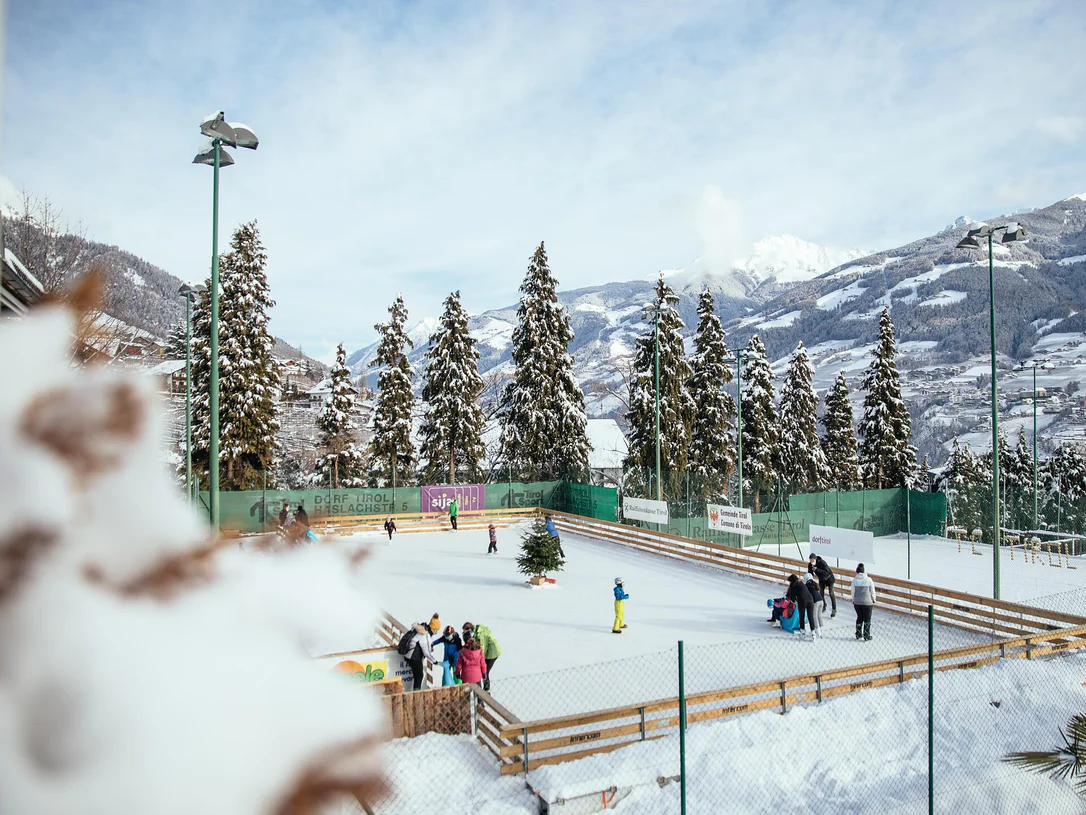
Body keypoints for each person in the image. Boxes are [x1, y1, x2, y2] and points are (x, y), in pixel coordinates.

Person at [462, 622, 501, 691]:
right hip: (489, 651)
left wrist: (477, 659)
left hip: (492, 653)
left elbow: (483, 648)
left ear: (470, 629)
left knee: (485, 671)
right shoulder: (475, 632)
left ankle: (486, 690)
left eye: (465, 632)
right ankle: (481, 689)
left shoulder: (480, 634)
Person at [405, 622, 439, 691]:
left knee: (417, 675)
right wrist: (434, 661)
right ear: (433, 629)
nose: (435, 633)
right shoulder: (425, 634)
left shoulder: (419, 628)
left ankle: (415, 693)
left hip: (408, 654)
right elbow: (426, 652)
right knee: (419, 676)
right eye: (436, 631)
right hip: (414, 657)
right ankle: (416, 695)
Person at [851, 563, 877, 641]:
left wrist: (853, 600)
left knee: (859, 617)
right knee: (867, 619)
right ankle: (866, 635)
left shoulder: (854, 580)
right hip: (867, 603)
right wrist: (873, 599)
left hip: (857, 603)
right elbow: (872, 590)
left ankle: (858, 634)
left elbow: (853, 592)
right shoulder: (868, 580)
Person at [786, 574, 816, 641]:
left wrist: (793, 601)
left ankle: (802, 632)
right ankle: (813, 633)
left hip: (802, 600)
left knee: (801, 616)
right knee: (810, 617)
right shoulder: (801, 583)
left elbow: (793, 597)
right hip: (810, 599)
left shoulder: (793, 586)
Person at [808, 553, 837, 617]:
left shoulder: (822, 562)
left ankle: (834, 609)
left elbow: (827, 572)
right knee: (821, 593)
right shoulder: (810, 565)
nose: (811, 561)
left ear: (815, 559)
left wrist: (817, 570)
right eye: (810, 560)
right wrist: (810, 579)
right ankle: (824, 605)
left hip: (829, 579)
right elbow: (810, 574)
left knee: (831, 593)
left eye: (813, 560)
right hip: (822, 580)